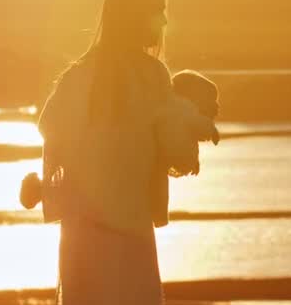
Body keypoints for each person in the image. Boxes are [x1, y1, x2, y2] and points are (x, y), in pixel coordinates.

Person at [28, 0, 206, 305]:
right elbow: (168, 143)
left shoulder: (80, 75)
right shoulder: (150, 76)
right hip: (124, 225)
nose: (164, 21)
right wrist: (187, 141)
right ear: (136, 16)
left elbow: (50, 128)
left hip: (84, 226)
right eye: (157, 10)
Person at [18, 69, 219, 209]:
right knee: (87, 187)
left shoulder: (173, 111)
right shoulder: (182, 110)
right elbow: (179, 144)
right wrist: (208, 136)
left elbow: (174, 143)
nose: (215, 107)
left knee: (80, 183)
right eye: (211, 101)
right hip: (127, 169)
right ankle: (40, 189)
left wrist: (190, 159)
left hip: (117, 160)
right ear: (193, 97)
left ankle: (41, 189)